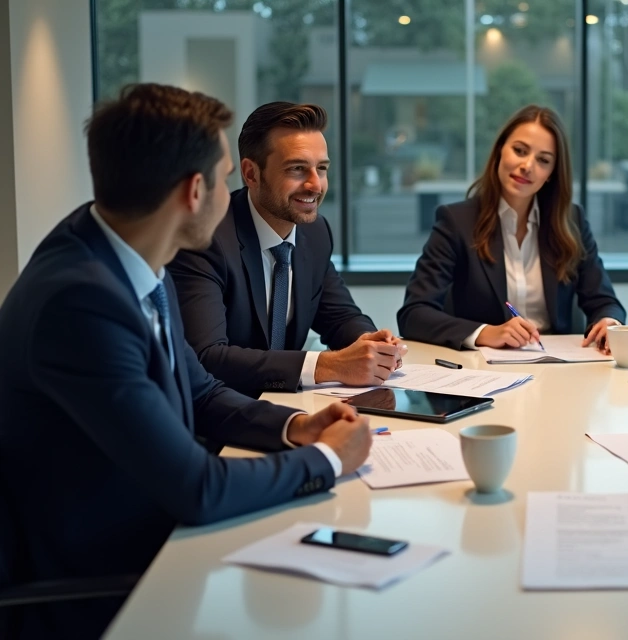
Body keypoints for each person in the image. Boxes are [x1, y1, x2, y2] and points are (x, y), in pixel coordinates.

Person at [0, 84, 373, 639]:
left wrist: (297, 427)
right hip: (103, 580)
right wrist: (326, 461)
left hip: (154, 535)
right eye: (227, 177)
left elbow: (198, 391)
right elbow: (196, 489)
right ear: (194, 192)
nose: (233, 195)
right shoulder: (79, 303)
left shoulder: (124, 252)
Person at [168, 102, 401, 397]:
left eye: (322, 169)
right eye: (297, 169)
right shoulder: (207, 239)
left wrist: (370, 342)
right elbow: (208, 357)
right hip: (221, 420)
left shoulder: (315, 232)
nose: (315, 185)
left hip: (289, 408)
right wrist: (328, 366)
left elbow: (339, 316)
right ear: (251, 174)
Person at [398, 104, 626, 352]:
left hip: (558, 367)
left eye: (543, 160)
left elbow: (604, 301)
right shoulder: (456, 221)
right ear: (499, 152)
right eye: (519, 151)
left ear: (551, 173)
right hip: (482, 371)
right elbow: (414, 314)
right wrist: (485, 332)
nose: (527, 166)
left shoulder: (572, 221)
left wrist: (608, 322)